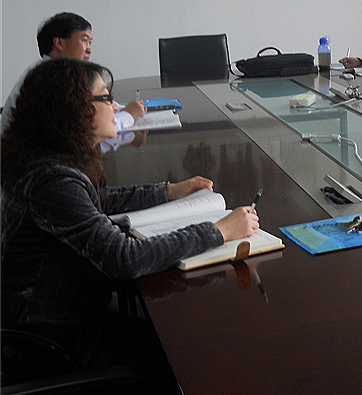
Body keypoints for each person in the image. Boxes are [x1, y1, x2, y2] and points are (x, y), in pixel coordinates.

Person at [0, 58, 259, 368]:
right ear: (73, 109)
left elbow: (98, 200)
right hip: (54, 342)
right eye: (105, 97)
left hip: (64, 312)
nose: (115, 106)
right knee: (187, 348)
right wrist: (219, 231)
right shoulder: (52, 180)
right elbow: (124, 258)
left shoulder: (48, 161)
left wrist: (168, 191)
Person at [1, 12, 146, 138]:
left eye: (90, 42)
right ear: (59, 43)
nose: (89, 49)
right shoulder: (50, 78)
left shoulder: (52, 71)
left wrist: (124, 110)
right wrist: (129, 116)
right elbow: (86, 131)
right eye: (84, 40)